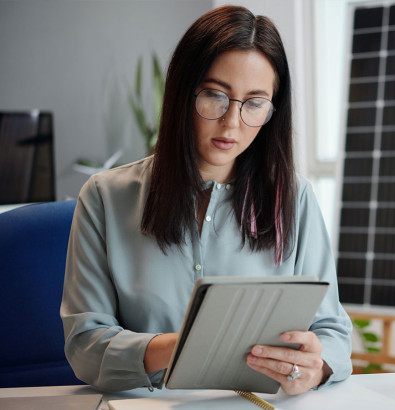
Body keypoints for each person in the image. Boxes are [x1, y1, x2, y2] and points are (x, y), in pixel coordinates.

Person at [60, 5, 352, 394]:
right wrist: (181, 347)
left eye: (255, 102)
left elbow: (332, 333)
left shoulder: (295, 198)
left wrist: (313, 369)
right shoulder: (105, 197)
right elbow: (84, 346)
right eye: (216, 95)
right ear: (183, 91)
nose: (232, 122)